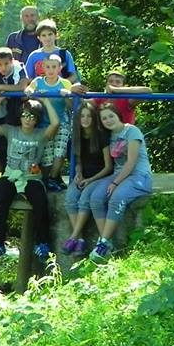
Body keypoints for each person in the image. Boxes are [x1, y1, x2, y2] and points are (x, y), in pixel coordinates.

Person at [0, 96, 59, 263]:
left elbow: (55, 124)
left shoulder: (41, 134)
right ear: (20, 116)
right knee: (0, 198)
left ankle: (42, 243)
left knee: (40, 202)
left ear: (37, 120)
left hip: (32, 177)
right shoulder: (11, 130)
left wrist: (46, 101)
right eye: (24, 115)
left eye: (32, 116)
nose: (27, 119)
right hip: (11, 174)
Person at [87, 103, 153, 261]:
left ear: (118, 115)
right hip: (118, 174)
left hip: (139, 176)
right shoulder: (108, 136)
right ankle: (106, 242)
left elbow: (131, 163)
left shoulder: (132, 131)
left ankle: (102, 244)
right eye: (104, 118)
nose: (108, 120)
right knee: (95, 198)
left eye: (111, 116)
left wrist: (115, 183)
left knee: (117, 197)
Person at [62, 101, 113, 255]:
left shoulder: (101, 136)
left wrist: (91, 180)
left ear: (94, 118)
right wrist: (78, 173)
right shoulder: (76, 137)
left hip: (100, 177)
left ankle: (73, 236)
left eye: (89, 116)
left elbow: (108, 167)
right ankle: (80, 240)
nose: (85, 119)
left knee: (84, 199)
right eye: (82, 116)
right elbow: (79, 162)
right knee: (70, 198)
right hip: (84, 177)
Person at [0, 47, 30, 176]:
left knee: (12, 146)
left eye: (6, 63)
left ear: (12, 61)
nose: (3, 67)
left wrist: (1, 87)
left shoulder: (19, 68)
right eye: (0, 64)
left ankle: (13, 175)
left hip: (16, 114)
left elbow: (22, 86)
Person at [25, 54, 73, 191]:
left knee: (59, 152)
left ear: (59, 68)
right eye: (48, 67)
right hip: (44, 124)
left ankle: (52, 178)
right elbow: (28, 90)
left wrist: (66, 95)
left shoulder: (65, 83)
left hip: (62, 122)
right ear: (43, 68)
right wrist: (30, 91)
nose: (51, 70)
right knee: (47, 156)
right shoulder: (38, 81)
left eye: (54, 67)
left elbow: (71, 106)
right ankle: (49, 180)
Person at [23, 19, 81, 87]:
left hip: (60, 91)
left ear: (56, 35)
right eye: (44, 35)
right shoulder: (34, 55)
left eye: (50, 34)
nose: (47, 38)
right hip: (40, 92)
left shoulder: (64, 54)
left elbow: (74, 76)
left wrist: (59, 84)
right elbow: (27, 78)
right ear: (39, 38)